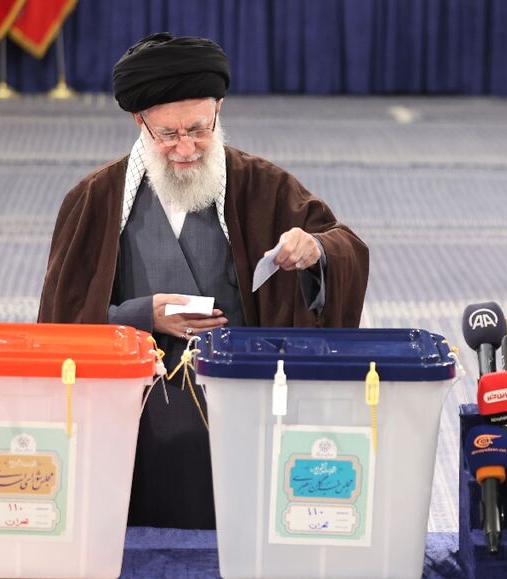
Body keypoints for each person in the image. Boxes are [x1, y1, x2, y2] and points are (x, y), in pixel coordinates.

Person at [38, 33, 369, 530]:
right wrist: (139, 316)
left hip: (247, 408)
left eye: (199, 129)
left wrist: (316, 250)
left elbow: (344, 246)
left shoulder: (264, 186)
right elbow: (58, 328)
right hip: (134, 418)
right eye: (168, 135)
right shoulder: (94, 200)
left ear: (219, 109)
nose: (186, 148)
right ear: (139, 122)